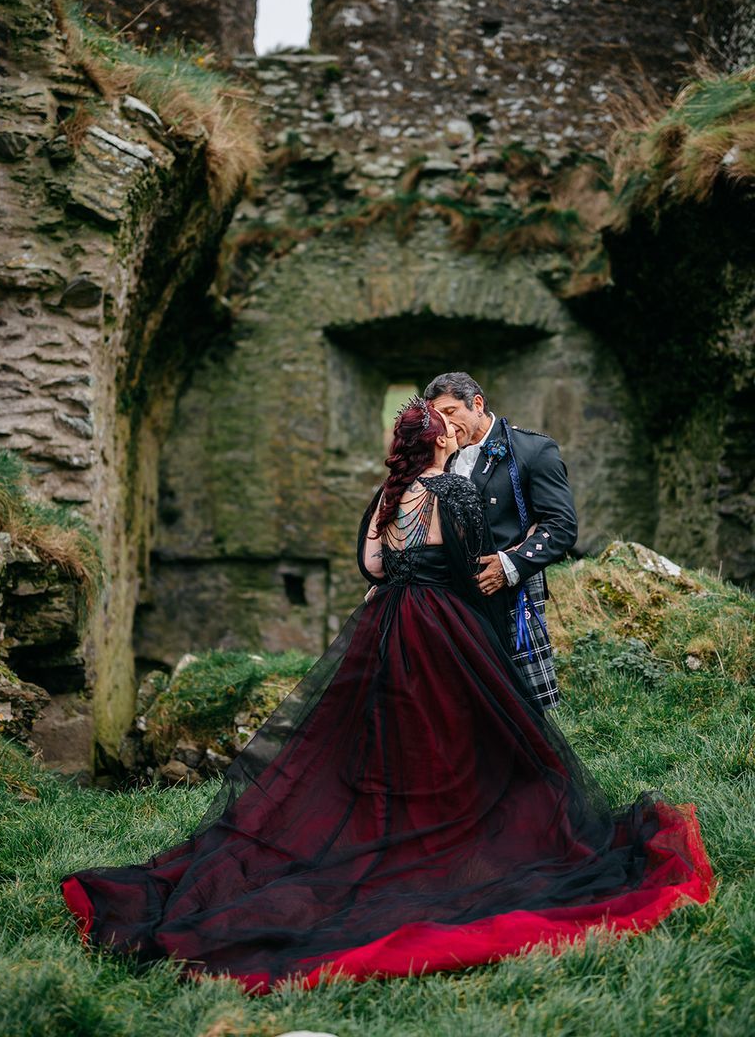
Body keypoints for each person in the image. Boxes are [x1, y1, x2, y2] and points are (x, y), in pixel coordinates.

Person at [62, 397, 712, 994]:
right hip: (440, 624)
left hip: (384, 623)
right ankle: (456, 840)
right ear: (438, 446)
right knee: (457, 733)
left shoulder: (386, 496)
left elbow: (371, 568)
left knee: (382, 739)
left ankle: (390, 825)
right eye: (448, 433)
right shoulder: (452, 492)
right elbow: (470, 567)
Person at [424, 371, 577, 711]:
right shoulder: (437, 455)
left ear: (477, 404)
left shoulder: (533, 450)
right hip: (450, 597)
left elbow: (562, 526)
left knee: (519, 705)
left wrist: (510, 565)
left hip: (509, 593)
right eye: (437, 416)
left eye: (450, 412)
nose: (444, 425)